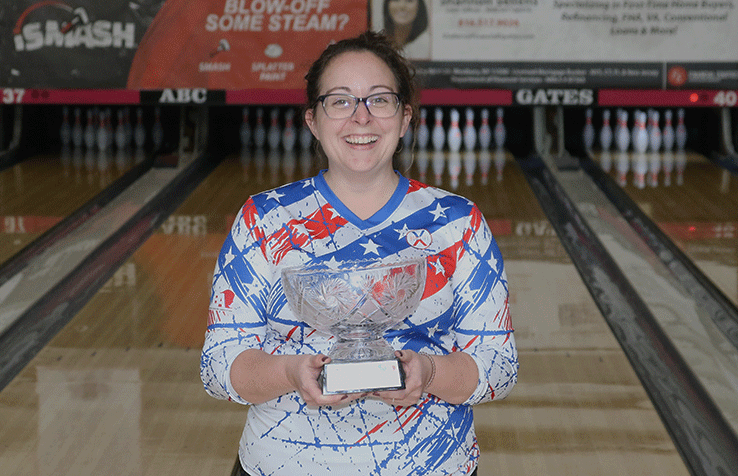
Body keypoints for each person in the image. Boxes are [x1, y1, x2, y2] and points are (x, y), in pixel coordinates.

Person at [201, 31, 517, 476]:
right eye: (341, 101)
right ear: (313, 119)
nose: (361, 118)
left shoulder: (457, 223)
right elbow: (218, 367)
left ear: (405, 117)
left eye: (380, 100)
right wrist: (291, 374)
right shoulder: (264, 219)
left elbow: (498, 368)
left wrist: (427, 372)